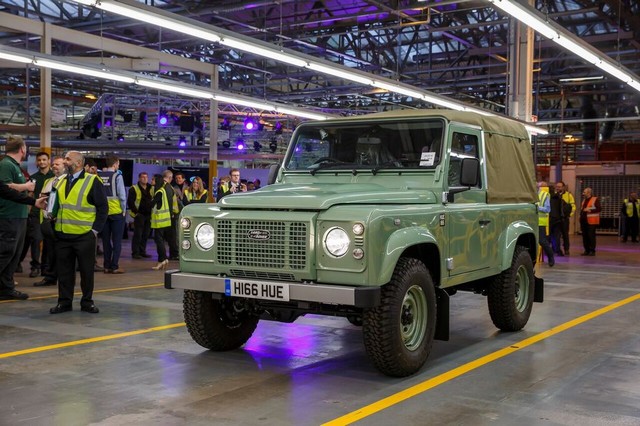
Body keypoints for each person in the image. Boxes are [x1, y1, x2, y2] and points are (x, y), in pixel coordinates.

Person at [49, 151, 108, 314]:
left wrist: (94, 231)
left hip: (84, 236)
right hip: (63, 235)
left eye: (68, 159)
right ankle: (64, 302)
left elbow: (103, 208)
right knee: (64, 272)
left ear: (79, 163)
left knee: (87, 271)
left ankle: (87, 302)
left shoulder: (92, 181)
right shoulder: (60, 181)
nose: (65, 162)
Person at [0, 135, 32, 301]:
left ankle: (6, 288)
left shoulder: (14, 166)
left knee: (14, 255)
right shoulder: (6, 165)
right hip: (9, 216)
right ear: (22, 149)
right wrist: (26, 186)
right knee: (5, 252)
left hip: (18, 216)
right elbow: (5, 187)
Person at [17, 151, 53, 278]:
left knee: (48, 243)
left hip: (49, 215)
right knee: (36, 240)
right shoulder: (33, 177)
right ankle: (35, 267)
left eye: (44, 159)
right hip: (36, 214)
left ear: (49, 161)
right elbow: (29, 196)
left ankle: (45, 267)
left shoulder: (55, 177)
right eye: (39, 160)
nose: (42, 162)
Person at [33, 156, 66, 287]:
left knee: (61, 252)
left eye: (58, 164)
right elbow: (42, 198)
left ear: (64, 166)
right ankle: (50, 277)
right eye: (53, 164)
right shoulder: (49, 180)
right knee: (49, 252)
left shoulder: (67, 181)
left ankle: (62, 278)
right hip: (47, 221)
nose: (54, 166)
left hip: (60, 221)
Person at [98, 155, 127, 274]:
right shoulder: (117, 176)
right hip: (116, 213)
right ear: (115, 164)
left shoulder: (99, 176)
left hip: (103, 213)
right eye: (118, 163)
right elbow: (122, 195)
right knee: (117, 241)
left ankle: (106, 265)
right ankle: (114, 266)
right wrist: (124, 210)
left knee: (105, 240)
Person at [128, 171, 152, 259]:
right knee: (138, 234)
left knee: (146, 234)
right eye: (143, 177)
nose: (145, 179)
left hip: (149, 215)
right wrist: (136, 212)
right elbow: (130, 202)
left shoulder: (151, 188)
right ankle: (135, 252)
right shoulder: (134, 188)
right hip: (139, 215)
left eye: (146, 177)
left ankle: (142, 251)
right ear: (139, 178)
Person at [150, 174, 172, 270]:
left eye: (153, 180)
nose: (151, 181)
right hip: (164, 220)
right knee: (160, 240)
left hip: (160, 221)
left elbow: (151, 204)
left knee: (159, 241)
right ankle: (163, 259)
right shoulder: (162, 191)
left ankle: (162, 260)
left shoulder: (159, 192)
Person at [163, 170, 180, 260]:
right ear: (169, 177)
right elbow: (170, 201)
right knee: (172, 236)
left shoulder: (162, 186)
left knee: (169, 236)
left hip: (166, 215)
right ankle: (174, 254)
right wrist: (172, 213)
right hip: (171, 215)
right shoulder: (168, 187)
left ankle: (172, 253)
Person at [554, 181, 575, 255]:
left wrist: (569, 215)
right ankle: (557, 249)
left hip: (564, 219)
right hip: (556, 219)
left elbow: (573, 206)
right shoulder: (553, 195)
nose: (558, 188)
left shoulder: (568, 195)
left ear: (563, 187)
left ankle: (566, 249)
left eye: (559, 186)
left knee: (565, 235)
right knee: (556, 235)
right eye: (557, 186)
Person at [537, 181, 555, 267]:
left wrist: (537, 207)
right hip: (530, 221)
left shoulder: (545, 195)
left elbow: (548, 209)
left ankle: (550, 256)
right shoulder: (531, 195)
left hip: (540, 222)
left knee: (542, 241)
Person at [580, 187, 601, 256]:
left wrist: (590, 210)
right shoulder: (584, 200)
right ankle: (586, 250)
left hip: (591, 221)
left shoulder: (595, 199)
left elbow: (599, 209)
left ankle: (592, 250)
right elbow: (582, 209)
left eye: (584, 192)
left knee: (591, 236)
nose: (583, 194)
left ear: (589, 193)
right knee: (585, 236)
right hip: (584, 221)